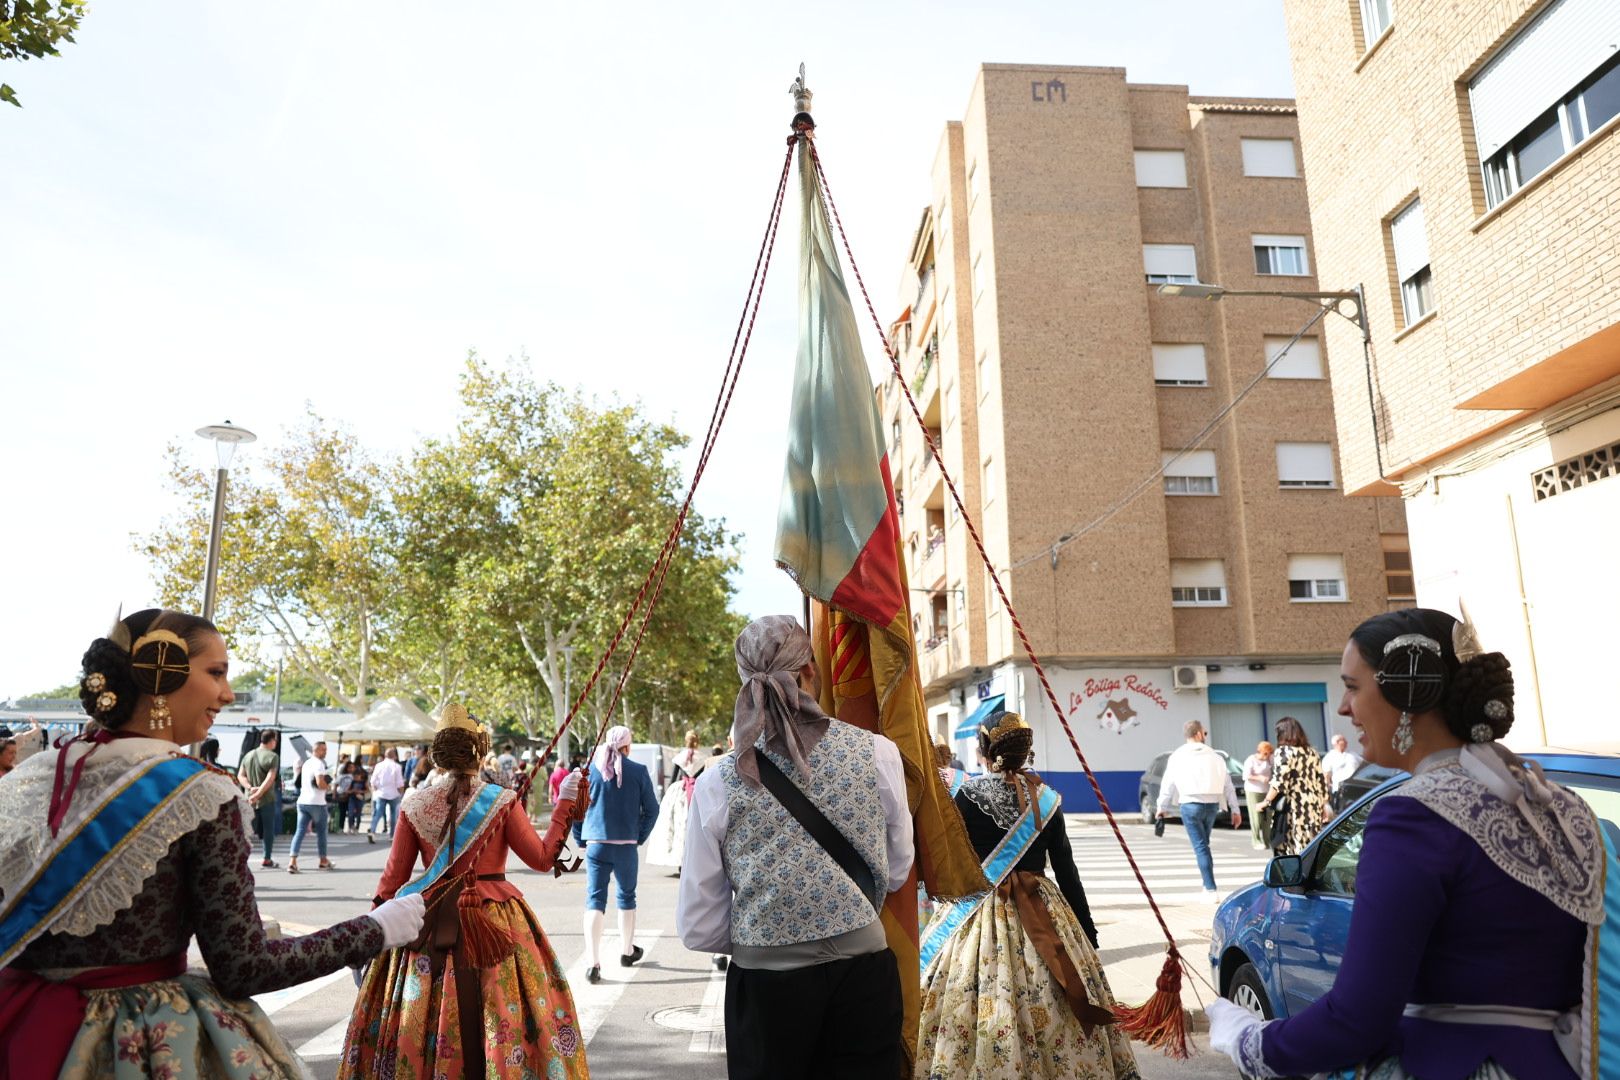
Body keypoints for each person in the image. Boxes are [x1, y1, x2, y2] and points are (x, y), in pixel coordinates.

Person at [0, 607, 423, 1076]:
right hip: (139, 1043)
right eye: (216, 672)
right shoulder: (198, 792)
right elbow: (245, 966)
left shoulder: (33, 778)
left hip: (19, 1024)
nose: (226, 693)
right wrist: (377, 928)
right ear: (161, 674)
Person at [1209, 606, 1609, 1079]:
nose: (1343, 708)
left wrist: (1248, 1039)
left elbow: (1356, 1018)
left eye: (1353, 687)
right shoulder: (1559, 804)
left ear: (1407, 692)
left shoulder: (1413, 815)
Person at [676, 615, 914, 1080]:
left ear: (745, 680)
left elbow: (699, 926)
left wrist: (773, 935)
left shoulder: (717, 781)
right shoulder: (878, 753)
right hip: (863, 978)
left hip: (768, 989)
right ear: (809, 667)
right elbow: (899, 868)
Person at [339, 704, 591, 1079]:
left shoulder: (414, 805)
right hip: (496, 925)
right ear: (480, 750)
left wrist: (369, 937)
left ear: (438, 753)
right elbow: (542, 859)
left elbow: (392, 883)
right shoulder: (503, 801)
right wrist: (566, 804)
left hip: (426, 926)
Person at [916, 711, 1136, 1079]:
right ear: (1024, 752)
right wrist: (1087, 934)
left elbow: (946, 857)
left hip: (980, 910)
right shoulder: (1047, 799)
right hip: (1044, 908)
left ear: (985, 749)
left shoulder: (966, 795)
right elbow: (1067, 871)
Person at [573, 724, 659, 984]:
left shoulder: (589, 773)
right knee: (626, 897)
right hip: (626, 845)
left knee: (594, 900)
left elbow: (577, 810)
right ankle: (626, 951)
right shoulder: (639, 771)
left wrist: (580, 838)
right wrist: (638, 836)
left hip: (596, 843)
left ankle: (593, 963)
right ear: (627, 746)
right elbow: (652, 810)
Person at [1155, 720, 1242, 898]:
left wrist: (1161, 807)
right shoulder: (1215, 756)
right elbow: (1228, 785)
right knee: (1204, 846)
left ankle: (1210, 889)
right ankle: (1207, 885)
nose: (1205, 736)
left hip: (1190, 804)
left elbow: (1168, 784)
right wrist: (1235, 809)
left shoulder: (1178, 756)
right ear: (1198, 734)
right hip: (1212, 805)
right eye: (1205, 733)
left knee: (1201, 847)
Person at [1258, 716, 1333, 856]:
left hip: (1294, 807)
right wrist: (1324, 804)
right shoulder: (1312, 752)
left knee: (1292, 849)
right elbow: (1321, 780)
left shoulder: (1284, 752)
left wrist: (1266, 801)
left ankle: (1295, 876)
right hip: (1313, 806)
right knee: (1309, 847)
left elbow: (1279, 782)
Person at [648, 730, 706, 871]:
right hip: (697, 792)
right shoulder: (703, 758)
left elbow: (674, 777)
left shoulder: (680, 757)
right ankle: (696, 859)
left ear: (686, 741)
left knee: (679, 826)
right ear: (697, 741)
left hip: (681, 794)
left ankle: (680, 860)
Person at [238, 728, 283, 867]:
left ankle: (240, 857)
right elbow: (271, 778)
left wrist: (250, 789)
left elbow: (240, 775)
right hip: (266, 799)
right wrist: (259, 794)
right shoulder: (272, 756)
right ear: (272, 740)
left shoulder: (248, 755)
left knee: (245, 829)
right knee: (268, 829)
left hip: (249, 798)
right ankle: (267, 858)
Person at [291, 739, 334, 872]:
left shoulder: (307, 763)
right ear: (316, 750)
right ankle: (323, 860)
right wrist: (329, 786)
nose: (325, 752)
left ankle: (292, 861)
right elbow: (320, 783)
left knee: (299, 831)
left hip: (303, 801)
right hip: (317, 802)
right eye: (323, 750)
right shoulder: (319, 764)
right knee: (321, 833)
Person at [1241, 741, 1275, 851]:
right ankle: (1256, 840)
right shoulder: (1251, 760)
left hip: (1266, 791)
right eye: (1265, 753)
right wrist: (1259, 778)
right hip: (1253, 790)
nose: (1266, 756)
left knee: (1267, 816)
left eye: (1269, 753)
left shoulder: (1270, 760)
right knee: (1255, 816)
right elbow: (1246, 775)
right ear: (1260, 751)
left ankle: (1267, 840)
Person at [368, 745, 405, 842]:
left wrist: (375, 790)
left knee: (378, 813)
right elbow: (399, 783)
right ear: (395, 756)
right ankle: (392, 836)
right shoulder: (397, 766)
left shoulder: (379, 765)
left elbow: (373, 781)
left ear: (385, 755)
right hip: (394, 794)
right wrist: (401, 793)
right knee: (393, 815)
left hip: (381, 793)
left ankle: (372, 831)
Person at [1321, 731, 1363, 811]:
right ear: (1336, 743)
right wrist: (1327, 791)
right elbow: (1326, 775)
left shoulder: (1352, 754)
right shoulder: (1330, 757)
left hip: (1357, 786)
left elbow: (1364, 764)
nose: (1346, 742)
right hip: (1341, 789)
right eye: (1343, 740)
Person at [333, 760, 357, 832]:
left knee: (351, 812)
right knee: (342, 812)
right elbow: (335, 785)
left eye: (353, 767)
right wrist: (334, 794)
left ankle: (351, 827)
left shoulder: (354, 776)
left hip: (351, 795)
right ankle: (341, 827)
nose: (351, 769)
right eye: (350, 767)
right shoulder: (341, 776)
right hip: (342, 795)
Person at [348, 757, 369, 832]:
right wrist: (353, 790)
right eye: (355, 776)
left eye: (357, 776)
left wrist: (360, 791)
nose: (356, 777)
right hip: (352, 798)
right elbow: (348, 790)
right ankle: (351, 827)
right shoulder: (352, 782)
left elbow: (367, 790)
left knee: (358, 814)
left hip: (360, 799)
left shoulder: (363, 782)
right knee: (350, 813)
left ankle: (357, 827)